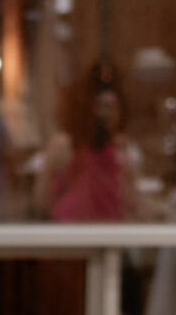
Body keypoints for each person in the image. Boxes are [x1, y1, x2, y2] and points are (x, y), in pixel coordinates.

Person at [44, 82, 146, 222]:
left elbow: (132, 197)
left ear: (120, 111)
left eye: (111, 107)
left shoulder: (125, 148)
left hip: (110, 225)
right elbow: (46, 194)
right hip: (71, 225)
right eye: (100, 106)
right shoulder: (66, 144)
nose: (105, 113)